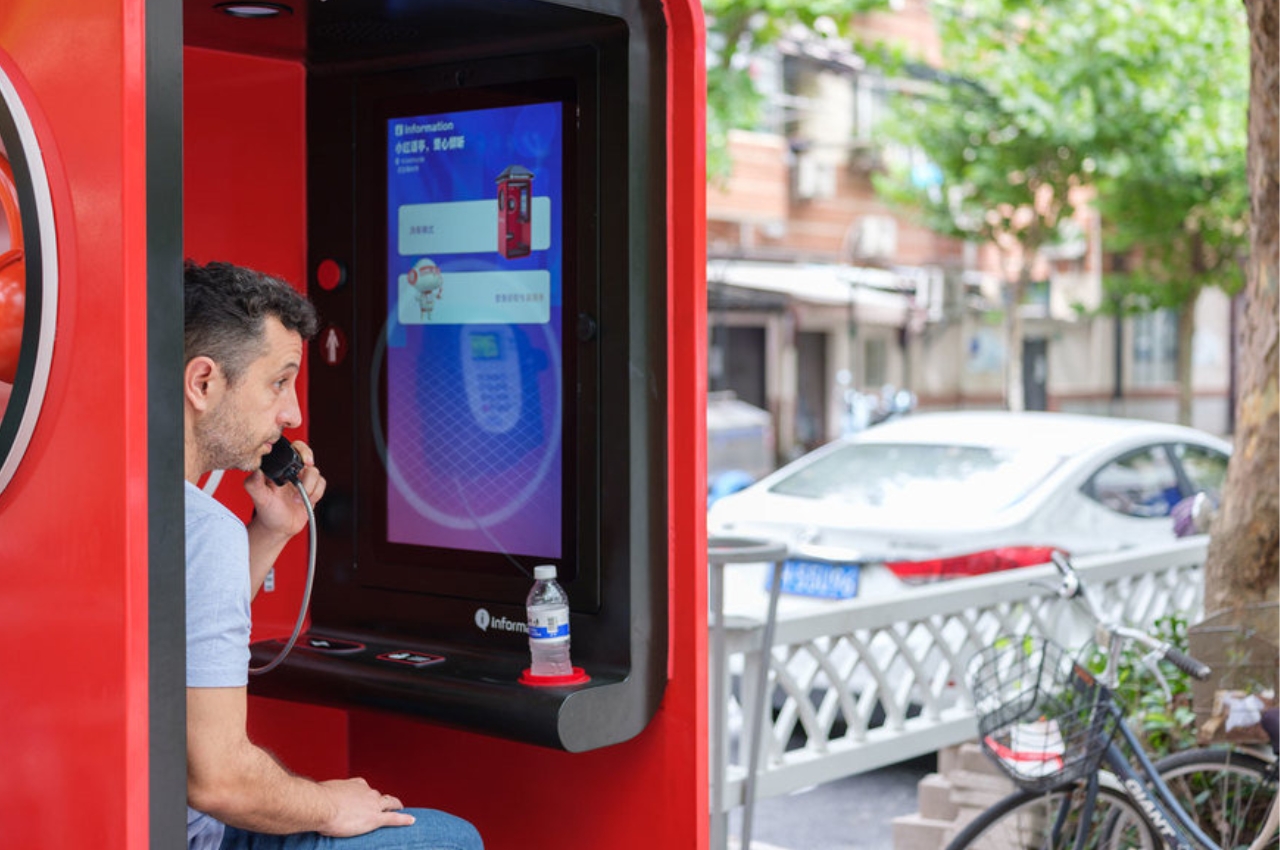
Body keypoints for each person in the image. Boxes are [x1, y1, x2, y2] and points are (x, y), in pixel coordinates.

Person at [183, 260, 483, 850]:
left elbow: (175, 637)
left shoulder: (139, 506)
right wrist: (329, 806)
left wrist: (270, 534)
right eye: (279, 382)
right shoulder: (204, 529)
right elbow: (220, 781)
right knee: (449, 840)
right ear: (204, 383)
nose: (293, 414)